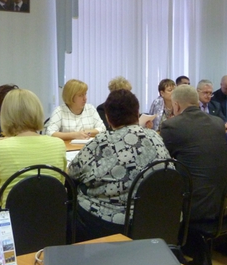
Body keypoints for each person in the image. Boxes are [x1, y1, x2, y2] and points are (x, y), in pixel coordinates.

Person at [69, 89, 171, 241]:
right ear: (137, 113)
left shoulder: (102, 141)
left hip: (109, 223)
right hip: (154, 218)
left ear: (108, 118)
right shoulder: (155, 137)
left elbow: (73, 172)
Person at [161, 85, 227, 265]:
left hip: (195, 204)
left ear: (176, 105)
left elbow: (162, 158)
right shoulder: (217, 123)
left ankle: (171, 253)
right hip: (224, 199)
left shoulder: (172, 126)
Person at [0, 89, 66, 208]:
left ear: (5, 115)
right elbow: (59, 184)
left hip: (11, 216)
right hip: (53, 215)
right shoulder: (59, 144)